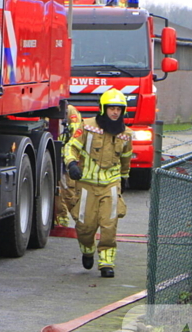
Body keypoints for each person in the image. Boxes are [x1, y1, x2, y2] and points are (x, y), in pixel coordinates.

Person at [64, 88, 134, 278]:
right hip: (86, 184)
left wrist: (125, 177)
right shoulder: (87, 127)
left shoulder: (126, 134)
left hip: (110, 184)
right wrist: (71, 164)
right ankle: (87, 250)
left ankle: (106, 263)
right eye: (111, 108)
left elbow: (126, 158)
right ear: (103, 109)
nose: (115, 113)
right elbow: (71, 147)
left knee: (109, 224)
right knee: (85, 226)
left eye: (118, 109)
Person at [53, 103, 84, 236]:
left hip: (66, 158)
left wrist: (72, 159)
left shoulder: (69, 111)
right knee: (56, 191)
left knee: (69, 191)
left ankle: (82, 222)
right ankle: (61, 220)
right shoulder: (44, 109)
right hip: (53, 155)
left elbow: (76, 135)